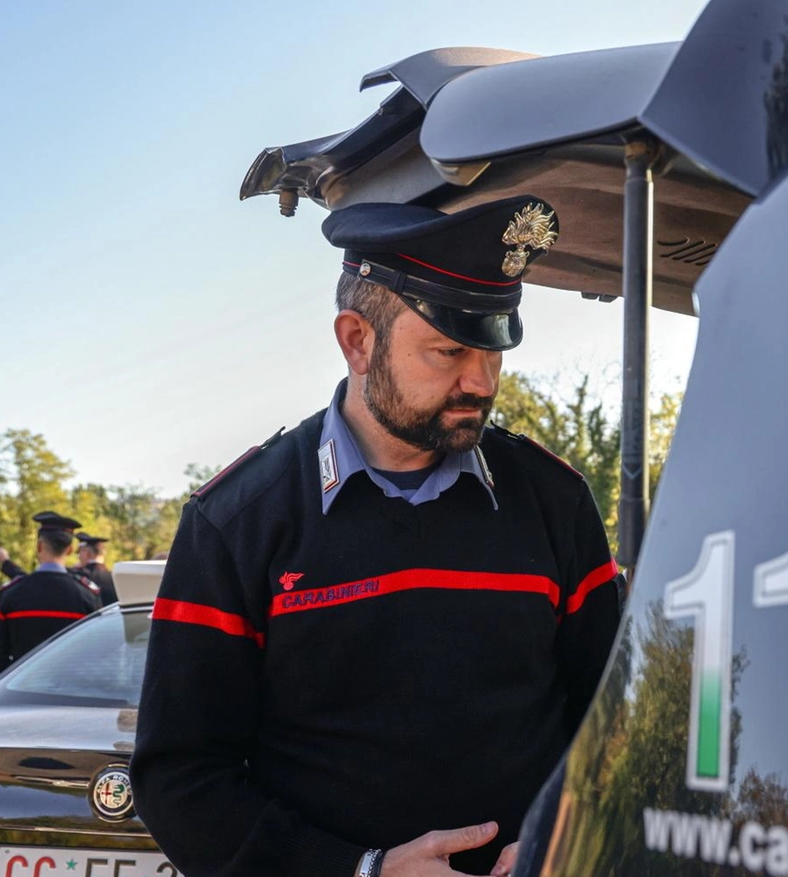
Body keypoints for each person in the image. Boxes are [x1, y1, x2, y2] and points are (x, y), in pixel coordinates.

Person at [132, 196, 623, 877]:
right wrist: (360, 870)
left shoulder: (554, 501)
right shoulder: (236, 523)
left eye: (494, 348)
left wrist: (570, 834)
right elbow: (179, 777)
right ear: (357, 339)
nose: (480, 381)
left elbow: (614, 720)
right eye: (449, 349)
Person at [0, 511, 103, 673]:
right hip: (71, 691)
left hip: (20, 690)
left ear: (39, 546)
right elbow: (96, 652)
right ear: (70, 550)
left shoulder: (11, 593)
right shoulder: (87, 595)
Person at [0, 520, 116, 605]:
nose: (78, 556)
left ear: (86, 552)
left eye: (79, 552)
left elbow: (32, 582)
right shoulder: (115, 579)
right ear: (69, 550)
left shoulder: (79, 577)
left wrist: (5, 561)